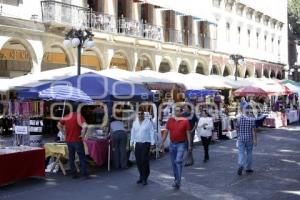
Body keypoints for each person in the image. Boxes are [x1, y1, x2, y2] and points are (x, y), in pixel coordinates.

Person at [160, 106, 192, 189]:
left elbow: (188, 133)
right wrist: (162, 142)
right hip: (172, 144)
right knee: (173, 163)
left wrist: (189, 145)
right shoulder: (170, 120)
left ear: (181, 112)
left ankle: (178, 181)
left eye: (178, 111)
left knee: (178, 161)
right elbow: (166, 132)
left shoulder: (185, 121)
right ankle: (176, 179)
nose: (176, 112)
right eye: (175, 110)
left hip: (181, 144)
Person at [57, 103, 88, 178]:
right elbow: (85, 126)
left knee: (71, 157)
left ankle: (73, 174)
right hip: (77, 140)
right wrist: (83, 135)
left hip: (69, 140)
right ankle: (84, 174)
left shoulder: (66, 116)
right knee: (82, 157)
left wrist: (64, 133)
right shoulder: (79, 116)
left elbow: (58, 125)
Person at [130, 108, 155, 185]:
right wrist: (131, 144)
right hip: (137, 144)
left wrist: (152, 143)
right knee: (138, 162)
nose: (140, 115)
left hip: (146, 143)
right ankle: (141, 176)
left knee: (144, 161)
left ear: (144, 115)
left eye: (141, 114)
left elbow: (152, 132)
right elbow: (133, 134)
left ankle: (145, 178)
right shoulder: (135, 123)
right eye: (139, 114)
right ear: (137, 115)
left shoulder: (148, 122)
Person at [236, 105, 257, 176]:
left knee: (241, 152)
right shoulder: (252, 119)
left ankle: (241, 165)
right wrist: (255, 140)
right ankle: (248, 168)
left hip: (241, 138)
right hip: (249, 138)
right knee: (249, 153)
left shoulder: (239, 118)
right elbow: (253, 131)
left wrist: (238, 136)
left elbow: (237, 128)